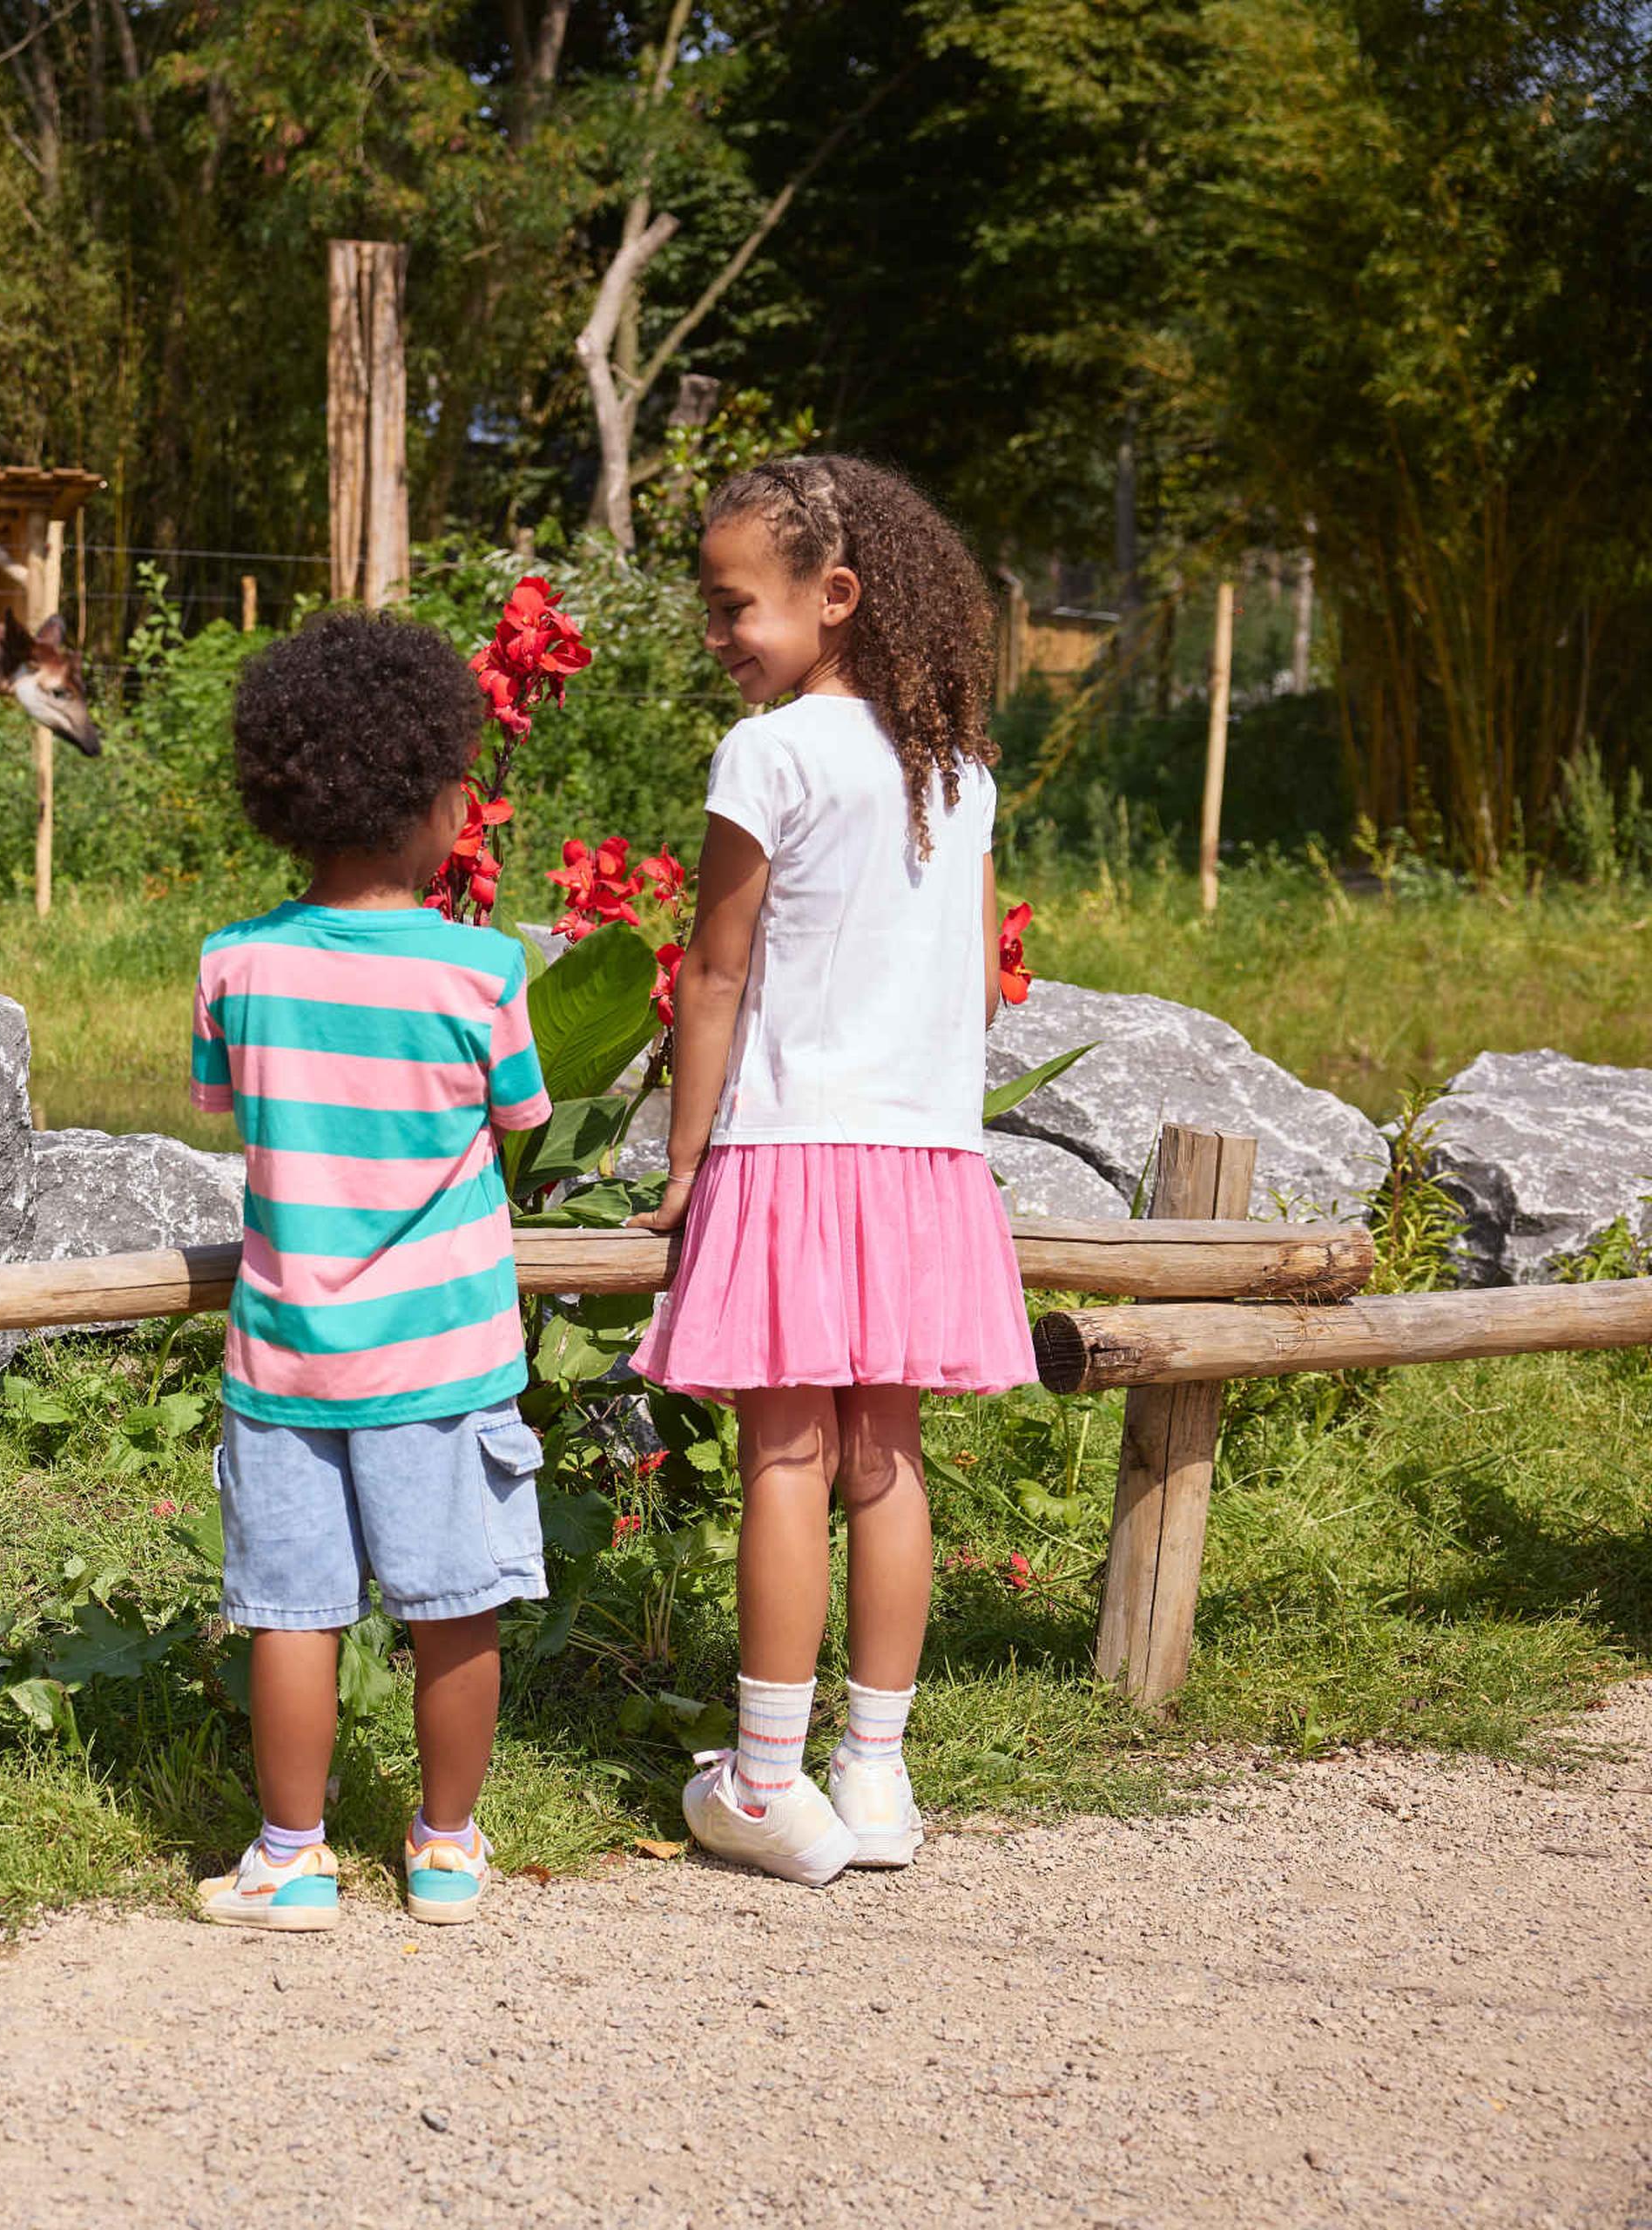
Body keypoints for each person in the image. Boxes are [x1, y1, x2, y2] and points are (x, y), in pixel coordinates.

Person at [625, 454, 1037, 1887]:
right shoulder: (962, 769)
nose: (721, 635)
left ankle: (761, 1779)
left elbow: (716, 973)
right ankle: (878, 1774)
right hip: (928, 1155)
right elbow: (984, 982)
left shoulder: (769, 755)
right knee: (888, 1459)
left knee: (784, 1458)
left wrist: (683, 1165)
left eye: (737, 607)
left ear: (835, 596)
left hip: (794, 1150)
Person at [188, 609, 555, 1931]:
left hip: (284, 1357)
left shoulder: (238, 963)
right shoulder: (483, 972)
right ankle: (445, 1847)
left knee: (294, 1615)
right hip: (447, 1355)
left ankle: (292, 1854)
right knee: (457, 1609)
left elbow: (225, 1104)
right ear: (441, 802)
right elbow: (523, 1120)